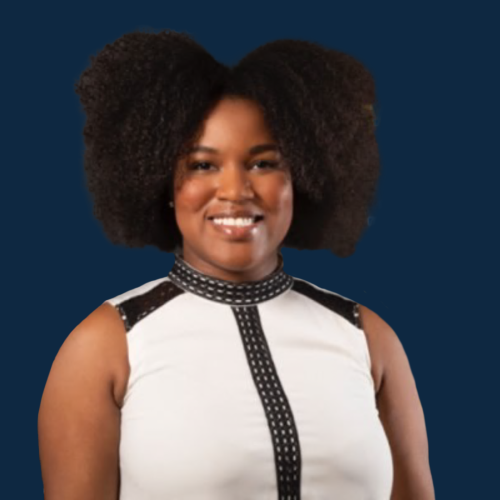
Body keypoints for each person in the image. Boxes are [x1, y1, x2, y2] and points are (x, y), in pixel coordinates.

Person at [38, 29, 435, 500]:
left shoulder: (367, 336)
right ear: (162, 184)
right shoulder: (107, 346)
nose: (235, 190)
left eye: (264, 163)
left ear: (303, 178)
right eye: (203, 165)